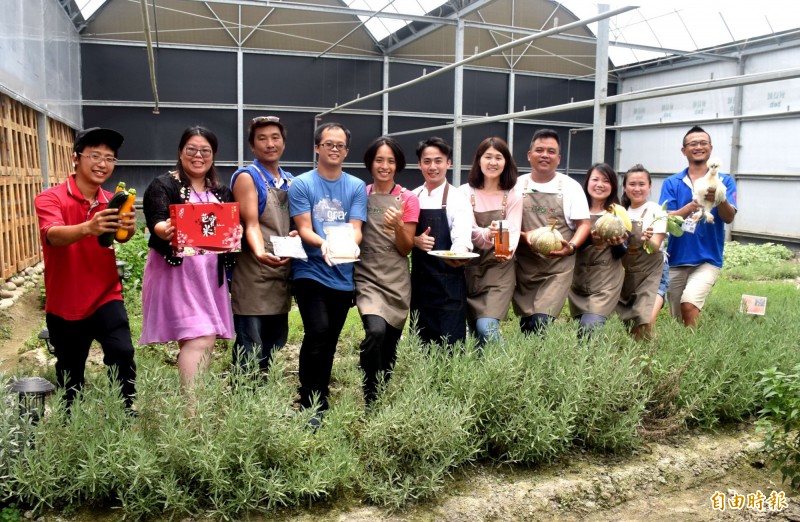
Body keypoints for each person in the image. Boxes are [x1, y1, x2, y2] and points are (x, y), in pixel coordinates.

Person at [34, 127, 137, 411]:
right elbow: (52, 234)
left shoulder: (113, 200)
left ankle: (125, 411)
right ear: (76, 158)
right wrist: (88, 227)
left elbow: (122, 237)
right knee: (71, 375)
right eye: (95, 155)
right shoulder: (50, 198)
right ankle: (72, 423)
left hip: (106, 293)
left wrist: (127, 229)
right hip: (65, 301)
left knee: (123, 352)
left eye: (110, 158)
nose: (102, 163)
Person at [140, 126, 237, 389]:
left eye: (205, 151)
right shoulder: (163, 185)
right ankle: (192, 413)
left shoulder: (220, 191)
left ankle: (191, 410)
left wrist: (234, 232)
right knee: (202, 337)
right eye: (191, 149)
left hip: (207, 276)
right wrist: (166, 230)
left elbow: (227, 229)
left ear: (213, 155)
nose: (198, 155)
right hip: (175, 273)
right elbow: (156, 221)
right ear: (181, 153)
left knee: (195, 337)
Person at [288, 122, 367, 420]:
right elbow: (305, 228)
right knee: (317, 331)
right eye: (328, 143)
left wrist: (349, 245)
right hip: (310, 270)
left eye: (340, 145)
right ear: (317, 147)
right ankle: (310, 401)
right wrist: (326, 245)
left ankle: (319, 393)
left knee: (330, 339)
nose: (334, 149)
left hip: (343, 274)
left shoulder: (356, 187)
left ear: (346, 151)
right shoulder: (302, 184)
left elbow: (357, 230)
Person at [354, 136, 420, 406]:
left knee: (390, 345)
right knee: (376, 332)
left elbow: (406, 249)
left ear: (398, 165)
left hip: (396, 280)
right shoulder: (359, 194)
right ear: (370, 162)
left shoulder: (408, 199)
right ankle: (369, 389)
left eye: (390, 161)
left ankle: (377, 396)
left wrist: (398, 227)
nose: (384, 166)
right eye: (379, 160)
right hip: (367, 276)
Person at [229, 116, 294, 375]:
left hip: (280, 270)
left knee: (275, 340)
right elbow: (251, 224)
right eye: (262, 138)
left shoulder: (289, 181)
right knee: (250, 341)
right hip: (253, 271)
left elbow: (296, 224)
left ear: (283, 143)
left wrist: (296, 237)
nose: (270, 144)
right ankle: (244, 399)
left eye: (275, 137)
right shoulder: (248, 177)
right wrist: (260, 252)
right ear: (252, 146)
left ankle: (262, 397)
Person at [513, 129, 591, 335]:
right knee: (528, 321)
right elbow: (508, 225)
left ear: (559, 158)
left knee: (542, 321)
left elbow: (584, 224)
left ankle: (538, 362)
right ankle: (531, 363)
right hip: (525, 266)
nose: (545, 155)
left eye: (551, 151)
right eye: (539, 150)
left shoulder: (570, 187)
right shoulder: (516, 185)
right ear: (529, 155)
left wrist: (571, 246)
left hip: (557, 268)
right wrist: (525, 236)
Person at [659, 126, 737, 327]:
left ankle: (692, 354)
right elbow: (665, 218)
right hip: (676, 258)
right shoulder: (672, 182)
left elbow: (729, 218)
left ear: (710, 148)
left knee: (689, 305)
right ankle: (683, 349)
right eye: (693, 144)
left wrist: (720, 199)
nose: (698, 147)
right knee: (677, 317)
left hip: (707, 259)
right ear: (683, 150)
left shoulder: (724, 181)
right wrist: (690, 207)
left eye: (703, 143)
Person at [458, 137, 521, 347]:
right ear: (478, 160)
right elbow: (469, 232)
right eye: (488, 157)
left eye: (498, 157)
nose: (493, 162)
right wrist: (488, 234)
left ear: (506, 162)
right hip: (470, 270)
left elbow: (513, 229)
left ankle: (507, 373)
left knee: (487, 327)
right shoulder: (465, 193)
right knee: (475, 330)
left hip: (499, 269)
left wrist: (507, 249)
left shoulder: (512, 194)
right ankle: (484, 378)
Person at [410, 136, 473, 347]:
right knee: (420, 345)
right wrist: (414, 240)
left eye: (438, 161)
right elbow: (398, 235)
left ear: (449, 163)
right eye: (427, 161)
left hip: (449, 285)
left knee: (450, 347)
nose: (433, 166)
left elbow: (462, 237)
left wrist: (459, 252)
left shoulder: (457, 198)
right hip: (420, 285)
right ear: (419, 164)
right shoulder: (412, 197)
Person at [568, 163, 625, 337]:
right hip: (578, 280)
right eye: (595, 179)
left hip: (606, 281)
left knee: (590, 326)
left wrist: (616, 243)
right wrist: (590, 239)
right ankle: (587, 363)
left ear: (613, 186)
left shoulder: (618, 213)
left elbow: (621, 253)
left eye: (606, 181)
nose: (600, 184)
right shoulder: (575, 210)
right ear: (587, 183)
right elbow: (570, 245)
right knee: (583, 331)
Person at [617, 164, 667, 340]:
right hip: (628, 274)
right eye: (632, 184)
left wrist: (647, 239)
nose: (636, 189)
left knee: (644, 320)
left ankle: (650, 361)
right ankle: (639, 360)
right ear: (624, 187)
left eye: (641, 184)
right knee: (632, 326)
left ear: (649, 186)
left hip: (653, 272)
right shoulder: (620, 211)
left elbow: (655, 246)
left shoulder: (656, 210)